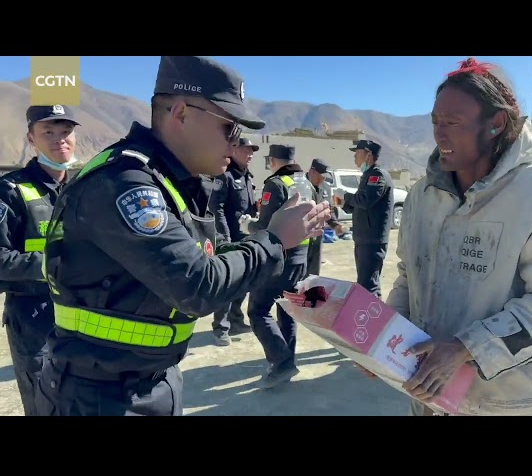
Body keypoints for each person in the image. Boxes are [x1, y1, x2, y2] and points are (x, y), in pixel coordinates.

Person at [35, 56, 331, 417]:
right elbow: (197, 285)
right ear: (181, 114)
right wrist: (273, 239)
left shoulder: (173, 181)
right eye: (229, 128)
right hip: (99, 393)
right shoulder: (125, 184)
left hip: (146, 379)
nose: (236, 141)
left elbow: (209, 258)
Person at [385, 57, 532, 416]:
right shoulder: (422, 196)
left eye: (452, 122)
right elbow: (409, 275)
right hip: (430, 399)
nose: (439, 133)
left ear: (495, 124)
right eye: (435, 121)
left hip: (508, 404)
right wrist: (381, 339)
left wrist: (467, 348)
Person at [0, 104, 79, 416]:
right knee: (45, 406)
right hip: (35, 321)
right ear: (31, 138)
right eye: (48, 131)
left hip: (81, 320)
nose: (59, 139)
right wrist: (52, 266)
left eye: (66, 131)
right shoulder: (10, 190)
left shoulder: (80, 188)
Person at [240, 144, 311, 388]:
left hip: (279, 258)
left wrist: (248, 226)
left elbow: (267, 227)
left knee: (258, 311)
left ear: (272, 161)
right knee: (287, 310)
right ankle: (286, 361)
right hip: (300, 256)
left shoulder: (276, 184)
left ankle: (281, 362)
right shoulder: (304, 183)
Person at [209, 137, 259, 346]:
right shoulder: (225, 176)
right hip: (230, 238)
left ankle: (236, 319)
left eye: (251, 151)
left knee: (245, 281)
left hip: (245, 237)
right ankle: (220, 327)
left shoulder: (247, 177)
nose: (250, 154)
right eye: (246, 150)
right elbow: (216, 207)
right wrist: (225, 236)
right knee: (229, 283)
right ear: (235, 150)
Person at [334, 140, 393, 299]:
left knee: (368, 287)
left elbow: (366, 200)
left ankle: (372, 320)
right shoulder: (368, 175)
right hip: (364, 237)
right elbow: (360, 205)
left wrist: (346, 196)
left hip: (372, 239)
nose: (354, 156)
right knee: (368, 284)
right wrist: (345, 203)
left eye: (357, 152)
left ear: (368, 155)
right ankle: (375, 318)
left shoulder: (377, 175)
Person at [305, 158, 344, 277]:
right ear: (312, 171)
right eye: (321, 175)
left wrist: (335, 225)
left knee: (314, 272)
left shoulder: (325, 188)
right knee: (299, 272)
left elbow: (329, 209)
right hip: (301, 237)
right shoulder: (301, 186)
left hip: (317, 236)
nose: (323, 178)